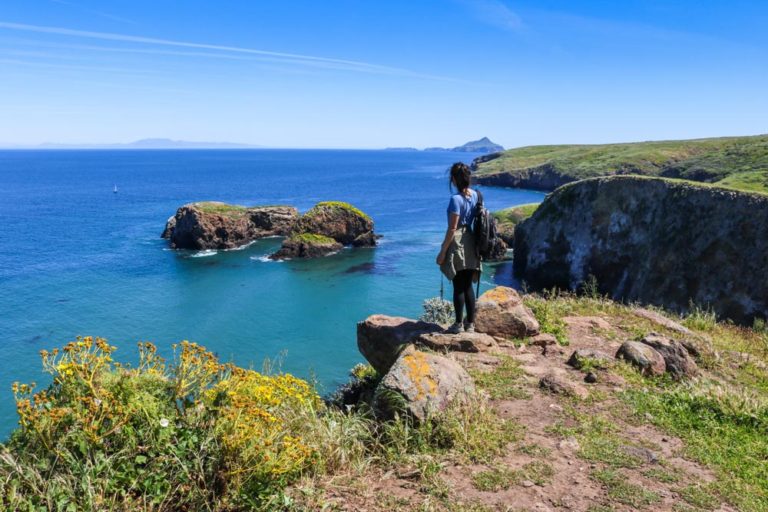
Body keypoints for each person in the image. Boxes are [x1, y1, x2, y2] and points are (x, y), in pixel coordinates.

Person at [436, 162, 481, 334]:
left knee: (458, 285)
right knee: (468, 284)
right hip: (471, 240)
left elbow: (452, 228)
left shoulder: (455, 199)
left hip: (458, 241)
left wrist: (442, 251)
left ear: (454, 179)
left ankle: (458, 325)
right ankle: (470, 324)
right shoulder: (475, 195)